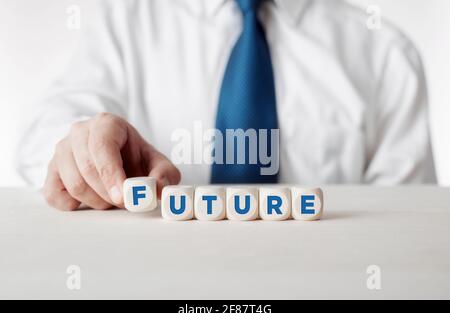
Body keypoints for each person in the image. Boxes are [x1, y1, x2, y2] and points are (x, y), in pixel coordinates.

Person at [16, 0, 436, 211]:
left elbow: (403, 223)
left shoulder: (384, 54)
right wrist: (85, 151)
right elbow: (45, 138)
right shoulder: (123, 23)